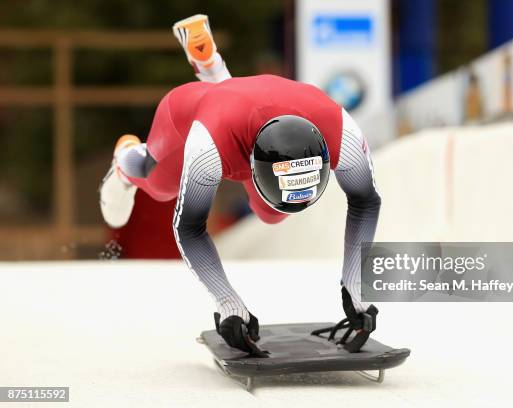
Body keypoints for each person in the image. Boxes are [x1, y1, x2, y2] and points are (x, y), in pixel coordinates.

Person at [99, 14, 380, 354]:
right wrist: (228, 302)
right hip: (192, 114)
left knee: (273, 215)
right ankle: (126, 161)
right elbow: (188, 227)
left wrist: (354, 286)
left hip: (245, 111)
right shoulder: (209, 146)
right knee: (159, 185)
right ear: (250, 167)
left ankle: (213, 69)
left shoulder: (339, 130)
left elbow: (366, 200)